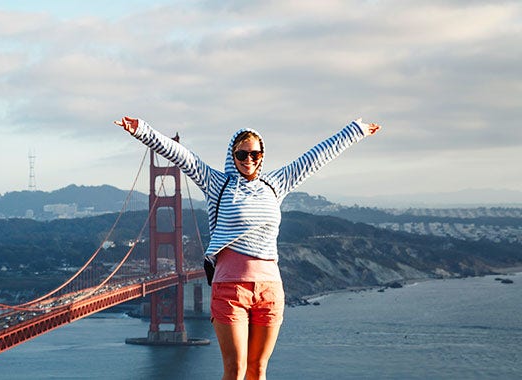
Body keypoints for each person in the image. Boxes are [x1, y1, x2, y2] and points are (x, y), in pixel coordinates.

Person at [115, 116, 380, 380]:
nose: (249, 158)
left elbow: (315, 157)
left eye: (255, 153)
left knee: (258, 370)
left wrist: (355, 130)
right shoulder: (217, 184)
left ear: (262, 155)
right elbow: (182, 156)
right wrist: (141, 130)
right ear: (233, 154)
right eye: (242, 153)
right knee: (235, 370)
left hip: (270, 290)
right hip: (230, 289)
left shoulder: (276, 184)